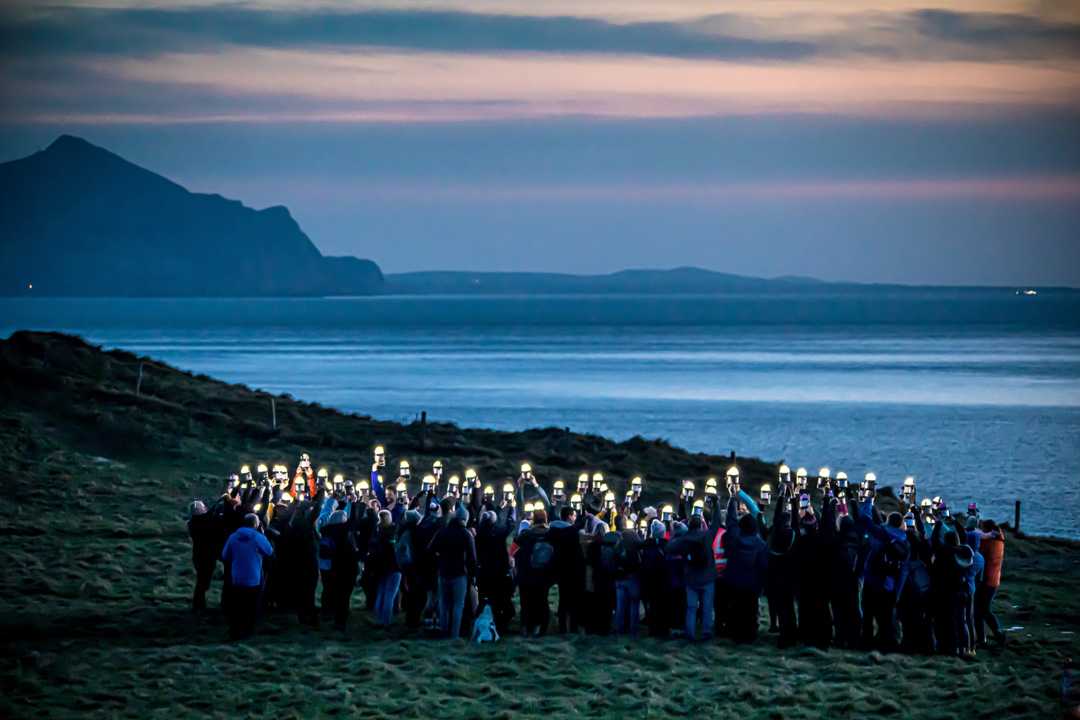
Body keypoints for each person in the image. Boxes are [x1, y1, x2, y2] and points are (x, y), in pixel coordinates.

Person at [855, 497, 910, 653]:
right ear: (901, 524)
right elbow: (903, 570)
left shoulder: (879, 533)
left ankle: (866, 646)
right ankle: (887, 648)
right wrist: (897, 592)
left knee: (867, 616)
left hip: (871, 581)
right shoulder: (904, 541)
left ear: (888, 522)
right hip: (889, 586)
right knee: (885, 620)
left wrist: (868, 501)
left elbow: (864, 519)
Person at [722, 492, 769, 644]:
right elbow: (763, 565)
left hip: (734, 582)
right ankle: (749, 635)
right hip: (752, 585)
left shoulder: (734, 539)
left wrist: (732, 500)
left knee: (736, 608)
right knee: (750, 609)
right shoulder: (760, 544)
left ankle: (735, 634)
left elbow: (730, 522)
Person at [427, 503, 478, 639]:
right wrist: (473, 575)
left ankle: (444, 631)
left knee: (444, 604)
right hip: (460, 573)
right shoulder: (466, 534)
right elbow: (472, 557)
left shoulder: (442, 532)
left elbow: (430, 549)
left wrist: (439, 558)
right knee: (458, 605)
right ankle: (454, 635)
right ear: (465, 519)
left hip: (443, 572)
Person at [220, 513, 274, 640]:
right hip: (254, 577)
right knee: (252, 606)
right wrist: (263, 535)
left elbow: (225, 555)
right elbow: (269, 551)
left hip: (237, 577)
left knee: (238, 605)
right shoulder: (257, 537)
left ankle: (235, 630)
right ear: (256, 524)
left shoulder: (233, 537)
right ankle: (248, 631)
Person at [515, 508, 558, 636]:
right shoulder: (551, 535)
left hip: (527, 574)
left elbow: (512, 550)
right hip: (544, 575)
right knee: (542, 601)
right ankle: (539, 628)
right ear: (545, 519)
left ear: (534, 519)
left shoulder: (526, 534)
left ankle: (524, 627)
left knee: (526, 601)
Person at [476, 505, 516, 635]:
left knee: (486, 600)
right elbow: (510, 525)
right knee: (501, 600)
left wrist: (499, 509)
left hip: (484, 572)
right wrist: (512, 510)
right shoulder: (498, 534)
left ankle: (486, 623)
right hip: (499, 572)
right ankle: (499, 626)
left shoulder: (479, 533)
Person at [321, 508, 360, 632]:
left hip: (334, 568)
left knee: (337, 594)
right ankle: (340, 620)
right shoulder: (346, 533)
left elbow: (324, 552)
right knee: (344, 595)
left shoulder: (327, 533)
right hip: (347, 567)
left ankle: (336, 616)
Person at [187, 500, 223, 612]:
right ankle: (198, 605)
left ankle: (199, 604)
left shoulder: (193, 523)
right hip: (206, 557)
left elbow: (208, 515)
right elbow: (209, 515)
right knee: (203, 582)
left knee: (202, 581)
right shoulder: (204, 522)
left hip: (198, 556)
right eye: (203, 508)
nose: (206, 509)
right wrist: (219, 503)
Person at [975, 519, 1006, 648]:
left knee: (980, 611)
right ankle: (996, 634)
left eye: (983, 529)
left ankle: (985, 637)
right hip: (994, 580)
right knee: (984, 609)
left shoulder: (988, 543)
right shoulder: (1000, 541)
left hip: (986, 580)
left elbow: (977, 549)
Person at [370, 510, 403, 627]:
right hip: (393, 566)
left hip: (381, 567)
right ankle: (386, 621)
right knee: (390, 595)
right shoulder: (392, 532)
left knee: (381, 592)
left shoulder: (377, 531)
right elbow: (394, 551)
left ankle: (377, 618)